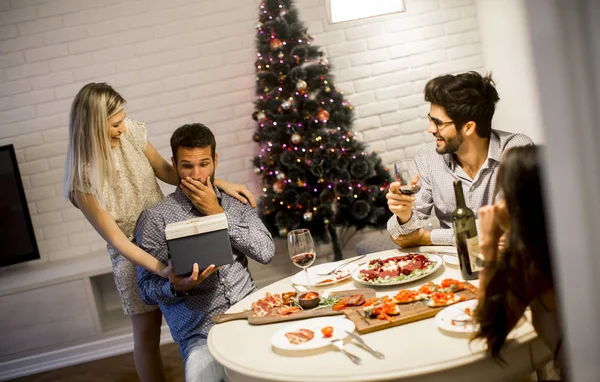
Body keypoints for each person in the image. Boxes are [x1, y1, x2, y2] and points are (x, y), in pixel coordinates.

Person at [63, 83, 257, 382]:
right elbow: (116, 239)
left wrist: (220, 184)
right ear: (92, 126)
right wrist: (163, 271)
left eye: (123, 120)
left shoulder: (131, 134)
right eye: (115, 124)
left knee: (190, 312)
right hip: (134, 257)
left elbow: (170, 173)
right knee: (147, 335)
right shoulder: (82, 180)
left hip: (170, 237)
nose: (122, 128)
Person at [136, 123, 275, 382]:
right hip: (201, 333)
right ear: (174, 164)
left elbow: (266, 252)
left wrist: (218, 214)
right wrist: (176, 285)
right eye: (187, 166)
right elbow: (145, 290)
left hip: (251, 313)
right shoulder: (155, 218)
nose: (197, 175)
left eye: (204, 164)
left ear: (215, 160)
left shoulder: (235, 200)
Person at [386, 71, 533, 248]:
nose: (430, 129)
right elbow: (402, 237)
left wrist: (427, 237)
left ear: (469, 127)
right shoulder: (427, 159)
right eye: (430, 119)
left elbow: (511, 227)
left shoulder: (515, 150)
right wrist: (404, 214)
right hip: (452, 266)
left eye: (438, 123)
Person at [474, 145, 564, 377]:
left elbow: (489, 327)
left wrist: (487, 246)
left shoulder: (532, 266)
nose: (500, 202)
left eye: (506, 192)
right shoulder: (545, 249)